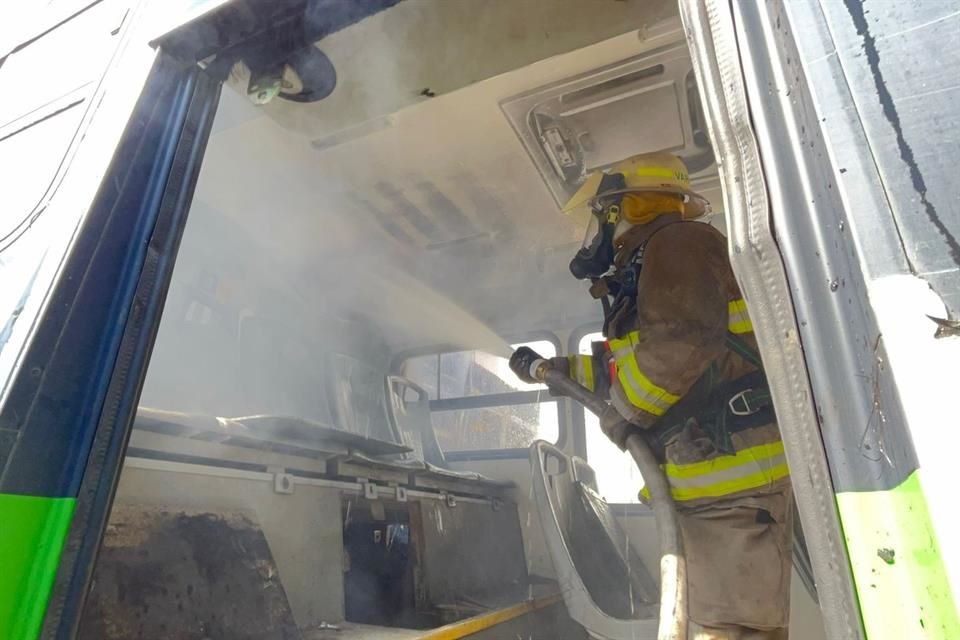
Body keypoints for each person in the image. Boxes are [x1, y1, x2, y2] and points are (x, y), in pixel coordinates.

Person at [510, 152, 792, 639]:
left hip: (729, 485)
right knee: (717, 626)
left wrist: (623, 414)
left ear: (631, 207)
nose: (598, 228)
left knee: (734, 631)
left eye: (604, 212)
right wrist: (557, 371)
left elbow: (683, 340)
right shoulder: (657, 259)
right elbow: (635, 361)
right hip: (713, 482)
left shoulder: (677, 243)